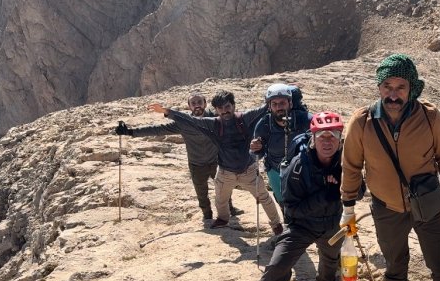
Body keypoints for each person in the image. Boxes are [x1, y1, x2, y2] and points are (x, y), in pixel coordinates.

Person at [339, 53, 440, 281]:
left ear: (411, 89)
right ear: (379, 87)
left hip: (427, 203)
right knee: (394, 260)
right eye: (388, 87)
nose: (393, 95)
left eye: (400, 88)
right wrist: (347, 207)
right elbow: (351, 166)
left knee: (438, 260)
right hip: (386, 205)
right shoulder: (362, 121)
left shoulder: (430, 116)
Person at [237, 111, 347, 281]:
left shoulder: (345, 163)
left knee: (330, 268)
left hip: (332, 225)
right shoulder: (298, 166)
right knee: (276, 268)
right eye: (322, 136)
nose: (328, 141)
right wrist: (325, 195)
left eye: (334, 136)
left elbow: (356, 193)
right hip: (301, 226)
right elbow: (291, 208)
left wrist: (340, 189)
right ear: (313, 138)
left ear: (341, 138)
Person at [148, 90, 282, 234]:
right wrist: (167, 111)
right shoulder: (212, 124)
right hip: (225, 171)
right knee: (220, 199)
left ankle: (276, 225)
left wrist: (278, 95)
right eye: (221, 108)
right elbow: (190, 120)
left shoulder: (245, 117)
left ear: (234, 106)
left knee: (264, 197)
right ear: (216, 110)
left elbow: (265, 108)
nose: (225, 111)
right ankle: (223, 219)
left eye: (228, 107)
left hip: (248, 169)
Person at [115, 93, 240, 225]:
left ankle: (230, 210)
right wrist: (130, 132)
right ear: (189, 106)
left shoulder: (216, 118)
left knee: (224, 188)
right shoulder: (184, 123)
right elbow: (157, 130)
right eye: (193, 103)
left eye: (199, 102)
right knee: (201, 193)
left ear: (205, 103)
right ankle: (207, 216)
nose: (197, 105)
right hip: (196, 164)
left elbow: (236, 123)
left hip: (216, 161)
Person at [250, 83, 311, 203]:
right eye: (274, 104)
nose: (279, 107)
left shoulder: (305, 120)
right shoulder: (264, 125)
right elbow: (257, 154)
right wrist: (255, 149)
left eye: (282, 103)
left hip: (303, 169)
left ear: (290, 103)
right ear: (269, 106)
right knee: (283, 202)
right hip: (275, 170)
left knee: (305, 203)